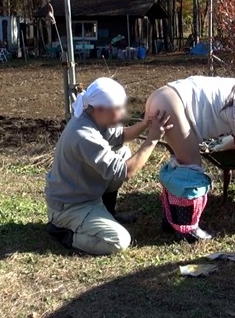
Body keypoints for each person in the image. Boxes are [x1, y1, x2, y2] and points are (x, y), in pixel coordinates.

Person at [145, 76, 235, 242]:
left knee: (179, 168)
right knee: (191, 171)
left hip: (162, 97)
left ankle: (172, 221)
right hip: (171, 105)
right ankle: (187, 230)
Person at [45, 77, 172, 255]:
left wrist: (145, 124)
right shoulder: (83, 134)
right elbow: (125, 172)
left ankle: (107, 211)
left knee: (122, 152)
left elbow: (121, 136)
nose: (122, 114)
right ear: (100, 109)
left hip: (86, 194)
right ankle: (64, 233)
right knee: (118, 241)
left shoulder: (95, 119)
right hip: (70, 206)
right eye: (118, 109)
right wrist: (152, 140)